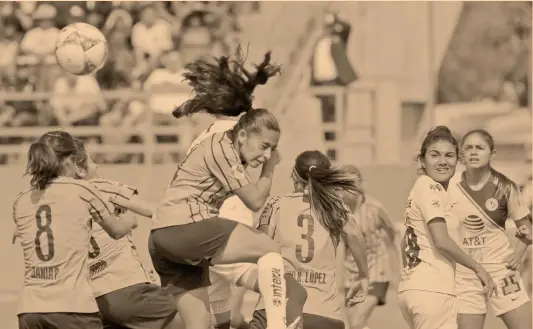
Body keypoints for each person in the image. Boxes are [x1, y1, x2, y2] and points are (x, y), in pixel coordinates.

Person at [149, 49, 300, 329]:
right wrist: (270, 167)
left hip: (163, 237)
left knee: (201, 324)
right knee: (270, 250)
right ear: (243, 127)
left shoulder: (206, 137)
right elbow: (254, 200)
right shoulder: (224, 140)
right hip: (191, 228)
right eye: (264, 146)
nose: (266, 154)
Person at [12, 131, 136, 329]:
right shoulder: (82, 191)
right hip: (73, 308)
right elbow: (117, 231)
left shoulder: (22, 199)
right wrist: (129, 219)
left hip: (30, 311)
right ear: (70, 160)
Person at [250, 150, 370, 329]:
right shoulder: (336, 208)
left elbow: (260, 246)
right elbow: (354, 234)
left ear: (293, 175)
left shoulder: (276, 205)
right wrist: (363, 275)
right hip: (324, 313)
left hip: (277, 307)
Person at [71, 138, 179, 329]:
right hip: (126, 288)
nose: (97, 165)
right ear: (80, 170)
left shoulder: (57, 202)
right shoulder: (102, 187)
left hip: (88, 302)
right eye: (92, 160)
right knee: (194, 321)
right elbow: (153, 211)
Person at [397, 126, 497, 329]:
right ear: (422, 160)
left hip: (414, 289)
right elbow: (441, 240)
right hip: (433, 291)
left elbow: (403, 243)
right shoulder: (430, 187)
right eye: (435, 155)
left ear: (457, 160)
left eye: (449, 155)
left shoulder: (425, 188)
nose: (443, 161)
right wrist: (479, 269)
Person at [447, 129, 532, 329]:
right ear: (461, 154)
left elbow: (527, 228)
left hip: (501, 270)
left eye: (480, 148)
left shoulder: (505, 187)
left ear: (492, 154)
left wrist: (518, 255)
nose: (473, 152)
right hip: (466, 274)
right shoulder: (448, 186)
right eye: (468, 148)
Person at [341, 165, 399, 329]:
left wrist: (401, 270)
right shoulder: (338, 211)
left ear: (359, 186)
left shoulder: (374, 208)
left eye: (351, 184)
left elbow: (394, 235)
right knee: (355, 323)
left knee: (356, 322)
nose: (347, 190)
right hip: (350, 274)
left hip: (376, 271)